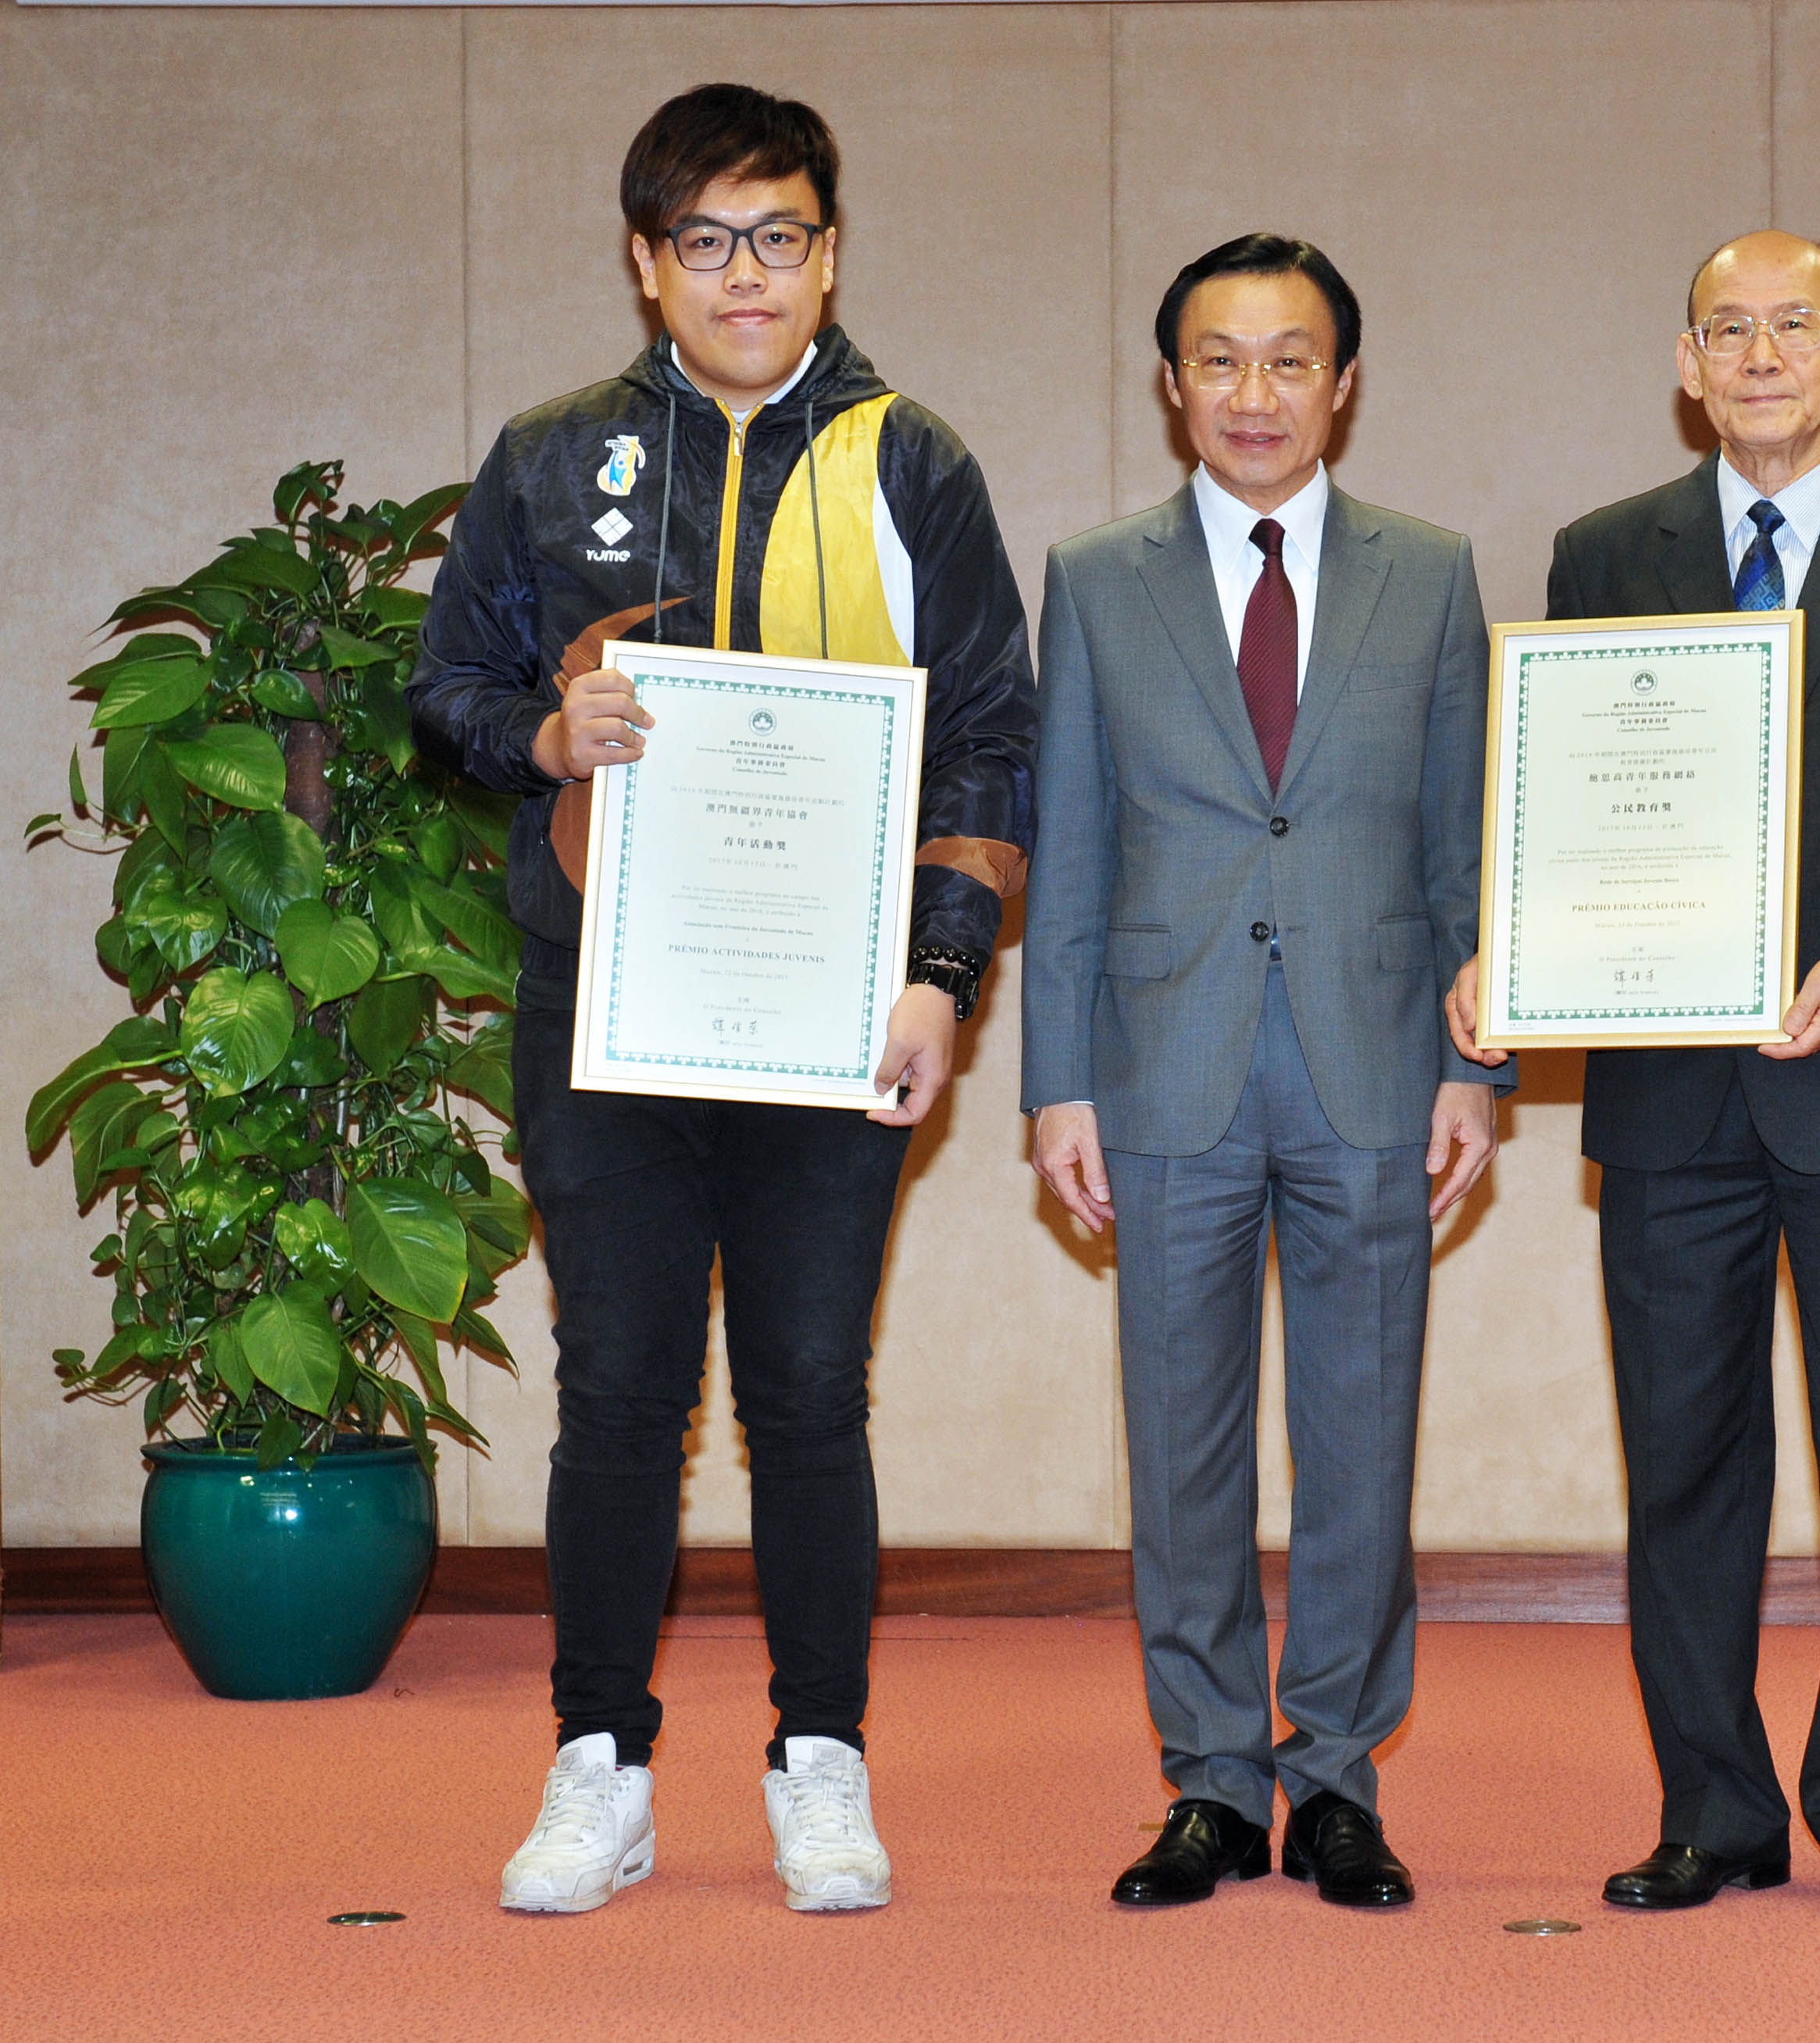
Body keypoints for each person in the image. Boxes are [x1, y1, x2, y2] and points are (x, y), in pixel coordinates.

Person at [406, 83, 1034, 1916]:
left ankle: (820, 1764)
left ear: (828, 254)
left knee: (809, 1393)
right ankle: (595, 1768)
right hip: (604, 1005)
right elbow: (444, 690)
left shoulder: (915, 465)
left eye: (777, 236)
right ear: (645, 261)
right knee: (617, 1387)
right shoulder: (550, 458)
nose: (742, 273)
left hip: (834, 1015)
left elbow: (990, 738)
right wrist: (543, 733)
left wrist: (940, 977)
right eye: (704, 240)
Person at [1451, 230, 1820, 1924]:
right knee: (1682, 1467)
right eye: (1727, 328)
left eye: (1795, 324)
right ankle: (1710, 1811)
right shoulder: (1605, 554)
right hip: (1665, 1101)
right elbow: (1562, 793)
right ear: (1685, 363)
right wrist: (1513, 944)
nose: (1761, 354)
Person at [1023, 234, 1504, 1910]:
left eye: (1289, 359)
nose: (1254, 392)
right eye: (1219, 360)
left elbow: (1461, 840)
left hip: (1378, 1065)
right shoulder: (1095, 578)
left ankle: (1337, 1777)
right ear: (1172, 386)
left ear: (1341, 385)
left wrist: (1475, 1067)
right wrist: (1057, 1082)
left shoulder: (1427, 574)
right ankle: (1214, 1783)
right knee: (1183, 1448)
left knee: (1361, 1443)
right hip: (1162, 1070)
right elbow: (1068, 847)